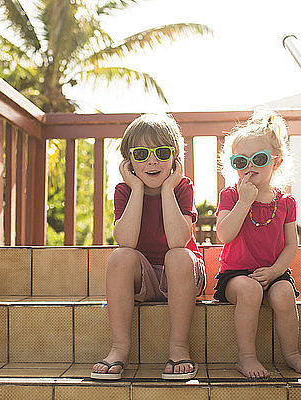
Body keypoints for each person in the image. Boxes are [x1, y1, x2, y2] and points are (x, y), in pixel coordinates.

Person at [91, 113, 206, 381]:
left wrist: (168, 189)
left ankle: (179, 348)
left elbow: (179, 240)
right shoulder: (124, 191)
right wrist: (137, 189)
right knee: (120, 257)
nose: (152, 161)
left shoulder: (182, 188)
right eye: (141, 154)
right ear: (129, 162)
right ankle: (119, 349)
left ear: (175, 159)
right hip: (145, 278)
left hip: (182, 275)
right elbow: (127, 241)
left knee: (178, 256)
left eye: (162, 152)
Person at [214, 109, 301, 378]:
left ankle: (291, 353)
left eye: (258, 159)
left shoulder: (285, 202)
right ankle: (246, 357)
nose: (249, 167)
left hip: (274, 271)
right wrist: (244, 201)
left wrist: (274, 272)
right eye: (240, 161)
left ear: (277, 162)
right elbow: (224, 235)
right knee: (249, 291)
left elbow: (291, 245)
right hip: (236, 275)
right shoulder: (230, 195)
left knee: (283, 294)